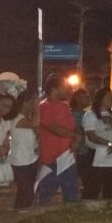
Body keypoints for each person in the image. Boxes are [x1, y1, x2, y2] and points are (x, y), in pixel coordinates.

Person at [37, 74, 82, 205]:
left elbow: (74, 127)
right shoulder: (44, 106)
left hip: (68, 159)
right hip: (51, 160)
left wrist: (77, 138)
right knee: (46, 197)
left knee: (71, 196)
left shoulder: (64, 107)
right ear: (54, 89)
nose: (67, 90)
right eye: (64, 87)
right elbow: (52, 127)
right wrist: (75, 136)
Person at [83, 87, 112, 199]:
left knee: (110, 182)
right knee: (93, 182)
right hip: (96, 153)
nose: (111, 100)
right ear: (100, 99)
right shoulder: (90, 115)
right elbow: (91, 136)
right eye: (109, 98)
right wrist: (109, 144)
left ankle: (108, 203)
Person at [8, 90, 40, 208]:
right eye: (33, 101)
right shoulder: (17, 118)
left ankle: (18, 215)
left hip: (30, 159)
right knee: (27, 194)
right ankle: (18, 215)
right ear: (25, 103)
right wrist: (37, 109)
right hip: (20, 161)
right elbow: (34, 124)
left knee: (25, 193)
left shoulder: (26, 117)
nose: (36, 103)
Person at [70, 88, 95, 198]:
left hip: (88, 150)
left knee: (89, 181)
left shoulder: (87, 114)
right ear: (77, 99)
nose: (88, 99)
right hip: (78, 151)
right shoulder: (72, 114)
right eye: (85, 97)